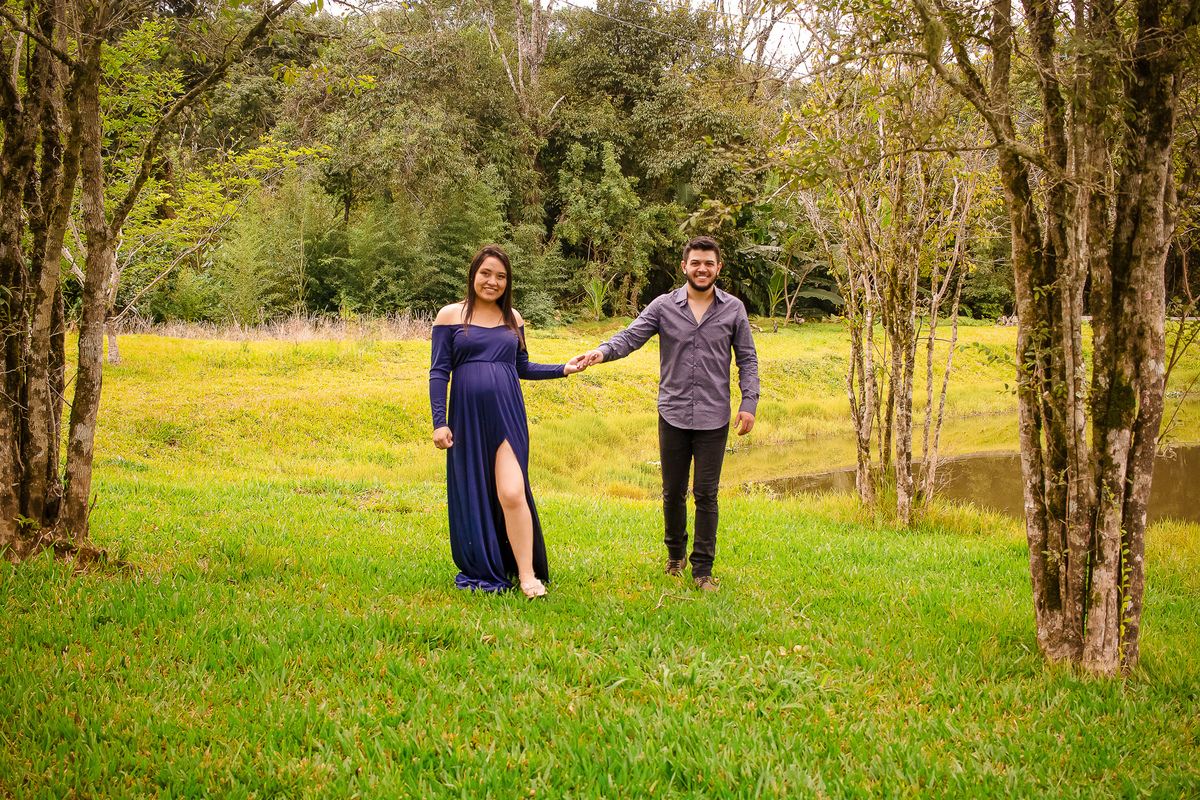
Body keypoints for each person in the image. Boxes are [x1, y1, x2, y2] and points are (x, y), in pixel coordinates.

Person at [576, 236, 759, 592]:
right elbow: (631, 337)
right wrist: (601, 352)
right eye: (696, 263)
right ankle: (675, 555)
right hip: (672, 411)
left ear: (718, 268)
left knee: (706, 494)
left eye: (709, 263)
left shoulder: (734, 309)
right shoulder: (663, 306)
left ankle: (702, 570)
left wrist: (748, 403)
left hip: (715, 415)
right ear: (684, 266)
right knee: (673, 492)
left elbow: (747, 359)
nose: (702, 269)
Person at [429, 245, 586, 597]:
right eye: (486, 273)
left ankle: (527, 575)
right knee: (476, 492)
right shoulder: (450, 316)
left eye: (501, 276)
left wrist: (563, 368)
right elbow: (439, 372)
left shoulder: (512, 317)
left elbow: (522, 367)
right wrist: (440, 422)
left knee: (512, 492)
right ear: (473, 274)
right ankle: (486, 564)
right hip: (467, 419)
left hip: (507, 415)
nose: (492, 281)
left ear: (508, 282)